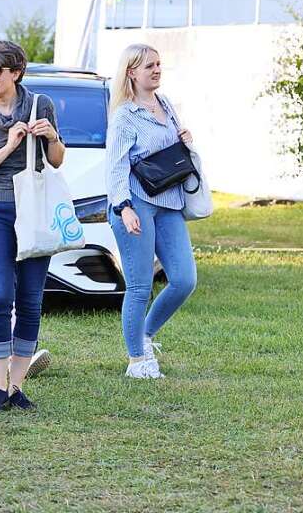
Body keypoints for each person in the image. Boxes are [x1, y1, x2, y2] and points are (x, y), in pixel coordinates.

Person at [0, 41, 65, 413]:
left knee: (31, 300)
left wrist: (51, 137)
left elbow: (55, 161)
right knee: (0, 294)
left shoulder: (40, 104)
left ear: (15, 72)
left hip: (33, 210)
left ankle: (17, 386)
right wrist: (7, 147)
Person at [107, 44, 197, 380]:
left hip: (170, 202)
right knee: (139, 286)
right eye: (149, 66)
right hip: (136, 204)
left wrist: (184, 137)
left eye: (159, 64)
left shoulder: (166, 104)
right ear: (132, 72)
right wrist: (124, 207)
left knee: (185, 279)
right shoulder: (124, 116)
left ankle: (144, 334)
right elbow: (115, 168)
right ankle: (137, 361)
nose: (157, 70)